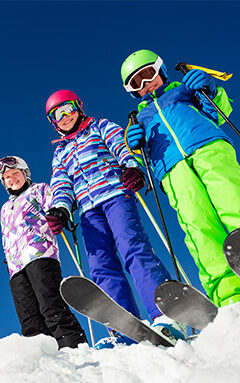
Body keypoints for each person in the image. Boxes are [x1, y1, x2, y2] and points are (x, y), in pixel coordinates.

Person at [120, 49, 240, 307]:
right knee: (198, 225)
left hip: (207, 147)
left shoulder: (183, 91)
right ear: (132, 91)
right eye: (136, 83)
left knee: (236, 202)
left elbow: (221, 111)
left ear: (160, 70)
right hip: (172, 170)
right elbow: (140, 162)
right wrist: (136, 147)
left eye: (148, 74)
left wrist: (209, 90)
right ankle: (230, 293)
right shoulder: (141, 118)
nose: (146, 84)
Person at [43, 90, 186, 348]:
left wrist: (131, 166)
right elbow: (62, 184)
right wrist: (61, 209)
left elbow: (120, 145)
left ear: (79, 107)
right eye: (57, 114)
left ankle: (165, 315)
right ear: (53, 122)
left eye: (68, 109)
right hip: (87, 210)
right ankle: (125, 327)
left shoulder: (100, 126)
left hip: (115, 193)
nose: (65, 117)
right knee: (100, 266)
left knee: (132, 247)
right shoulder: (60, 153)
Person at [0, 155, 86, 349]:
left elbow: (57, 206)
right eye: (7, 177)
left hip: (40, 254)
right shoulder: (5, 209)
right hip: (15, 266)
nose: (12, 179)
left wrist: (60, 215)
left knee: (50, 305)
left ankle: (73, 347)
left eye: (15, 173)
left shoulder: (40, 189)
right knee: (28, 317)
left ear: (25, 173)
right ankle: (42, 357)